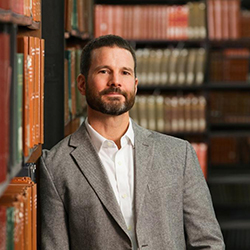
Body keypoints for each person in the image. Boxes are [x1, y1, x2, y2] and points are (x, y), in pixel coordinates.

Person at [40, 35, 225, 250]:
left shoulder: (179, 154)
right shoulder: (55, 165)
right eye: (103, 71)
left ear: (135, 85)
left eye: (125, 73)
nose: (115, 81)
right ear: (82, 84)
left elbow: (208, 242)